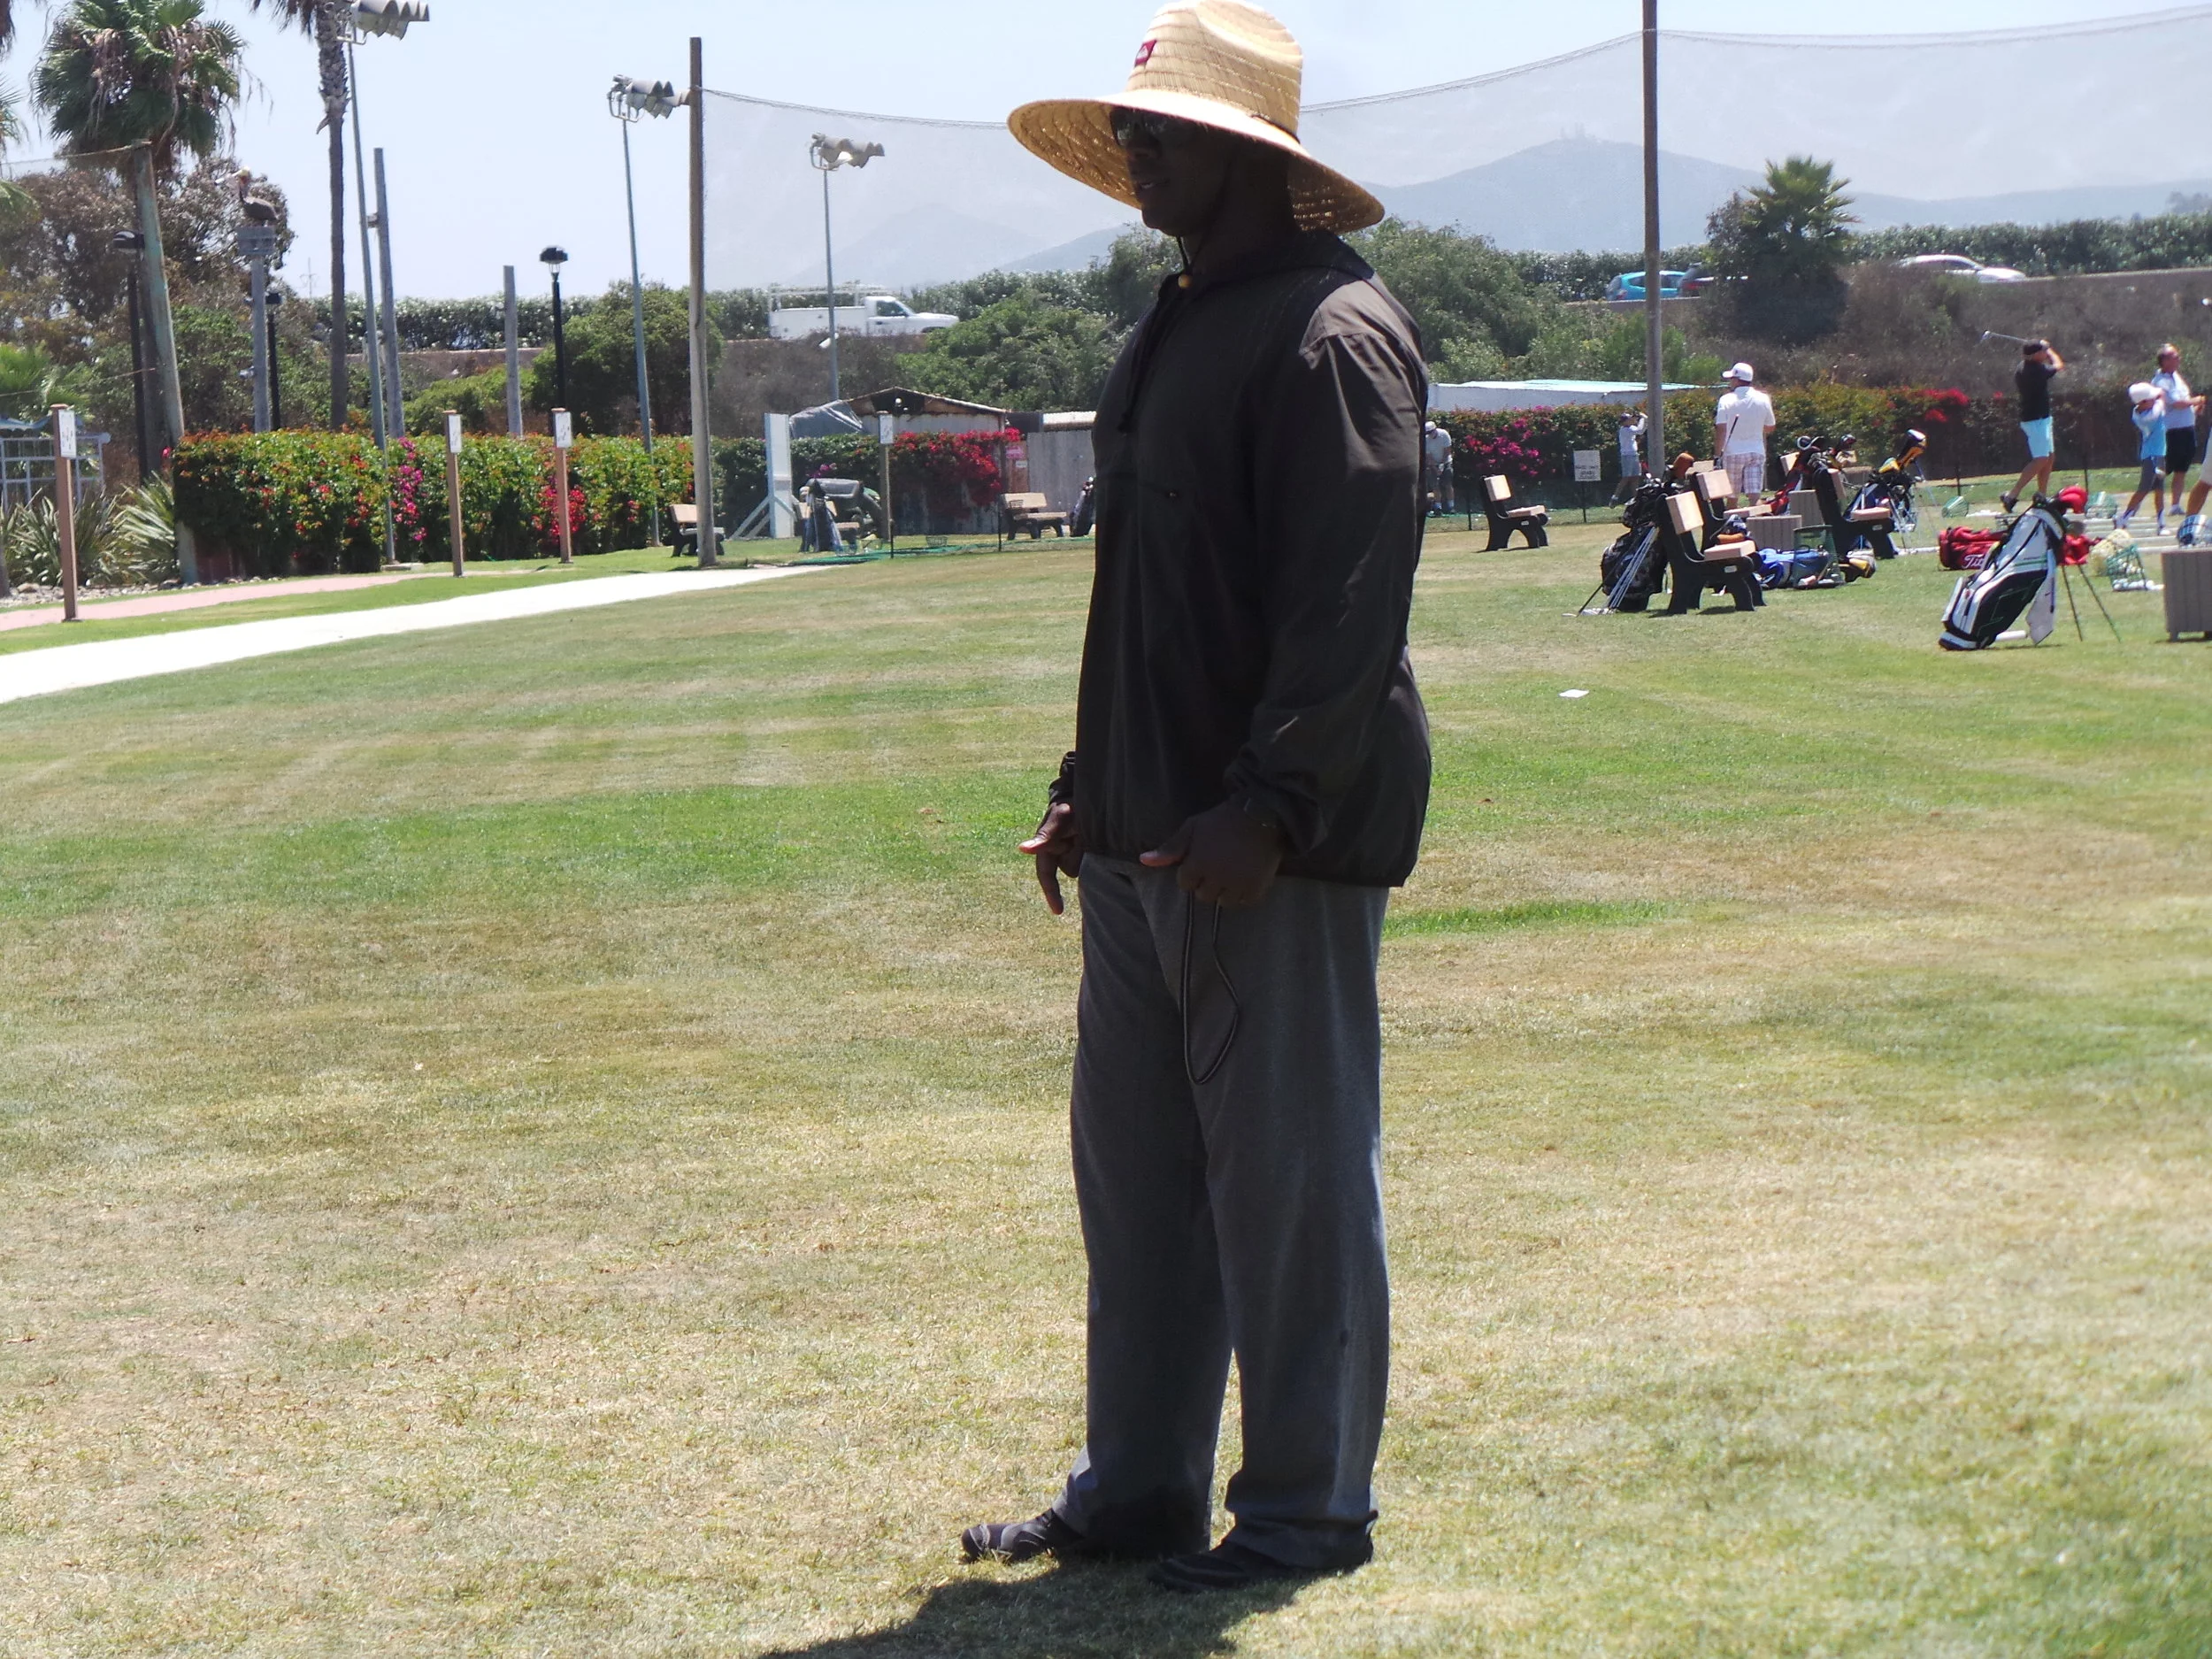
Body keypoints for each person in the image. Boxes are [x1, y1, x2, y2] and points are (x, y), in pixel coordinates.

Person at [977, 0, 1429, 1595]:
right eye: (1130, 128)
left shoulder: (1332, 332)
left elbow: (1347, 602)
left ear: (1247, 154)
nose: (1134, 151)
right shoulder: (1179, 317)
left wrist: (1273, 806)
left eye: (1161, 130)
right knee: (1143, 1195)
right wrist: (1085, 789)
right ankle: (1140, 1491)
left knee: (1289, 1192)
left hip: (1261, 849)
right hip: (1143, 834)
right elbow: (1149, 598)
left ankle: (1306, 1511)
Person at [2002, 338, 2063, 512]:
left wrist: (2045, 348)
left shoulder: (2028, 365)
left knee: (2049, 457)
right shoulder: (2034, 370)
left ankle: (2041, 495)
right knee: (2041, 458)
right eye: (2042, 351)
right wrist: (2050, 350)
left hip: (2042, 418)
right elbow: (2059, 365)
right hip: (2034, 420)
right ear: (2036, 355)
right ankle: (2011, 495)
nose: (2045, 353)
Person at [1711, 363, 1774, 497]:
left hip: (1732, 452)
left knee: (1732, 496)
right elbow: (1770, 427)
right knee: (1754, 495)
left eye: (1731, 379)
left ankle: (1733, 511)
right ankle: (1756, 511)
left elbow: (1721, 429)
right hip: (1756, 452)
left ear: (1737, 380)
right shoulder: (1763, 399)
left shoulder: (1726, 400)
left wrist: (1717, 456)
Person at [2151, 343, 2202, 501]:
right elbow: (2177, 403)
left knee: (2181, 470)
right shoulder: (2161, 381)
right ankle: (2146, 492)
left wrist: (2196, 409)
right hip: (2173, 432)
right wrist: (2196, 400)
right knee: (2165, 470)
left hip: (2187, 430)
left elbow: (2185, 402)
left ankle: (2175, 505)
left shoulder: (2177, 377)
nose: (2178, 358)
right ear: (2165, 361)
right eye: (2175, 356)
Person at [2116, 380, 2168, 533]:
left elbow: (2156, 397)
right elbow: (2162, 397)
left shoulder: (2137, 412)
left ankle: (2161, 523)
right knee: (2144, 488)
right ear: (2143, 402)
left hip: (2158, 454)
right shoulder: (2151, 415)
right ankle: (2123, 518)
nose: (2153, 399)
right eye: (2150, 399)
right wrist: (2159, 394)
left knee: (2159, 489)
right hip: (2152, 456)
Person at [1612, 406, 1647, 503]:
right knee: (1626, 477)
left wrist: (1644, 420)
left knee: (1636, 477)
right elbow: (1639, 430)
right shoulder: (1624, 430)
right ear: (1623, 422)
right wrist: (1643, 418)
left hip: (1634, 455)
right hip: (1627, 456)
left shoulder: (1631, 428)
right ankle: (1615, 497)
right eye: (1628, 419)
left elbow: (1641, 430)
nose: (1630, 420)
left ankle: (1635, 498)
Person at [1421, 419, 1455, 514]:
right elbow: (1429, 457)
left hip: (1446, 462)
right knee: (1435, 486)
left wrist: (1442, 465)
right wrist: (1436, 468)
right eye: (1428, 433)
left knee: (1448, 484)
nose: (1429, 434)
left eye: (1431, 432)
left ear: (1435, 429)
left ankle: (1451, 506)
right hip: (1433, 464)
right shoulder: (1426, 439)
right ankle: (1438, 507)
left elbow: (1447, 451)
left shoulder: (1444, 434)